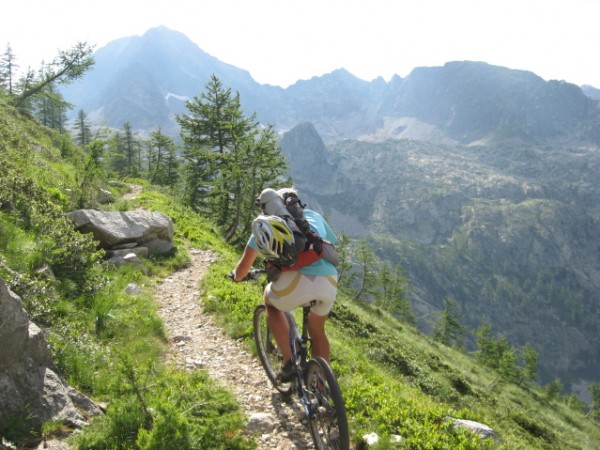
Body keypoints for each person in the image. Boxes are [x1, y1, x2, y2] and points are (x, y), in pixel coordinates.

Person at [230, 187, 338, 381]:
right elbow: (330, 242)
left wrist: (237, 277)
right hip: (328, 279)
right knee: (318, 331)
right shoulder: (313, 216)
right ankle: (322, 387)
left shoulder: (267, 225)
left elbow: (242, 269)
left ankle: (289, 363)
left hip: (295, 283)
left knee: (270, 302)